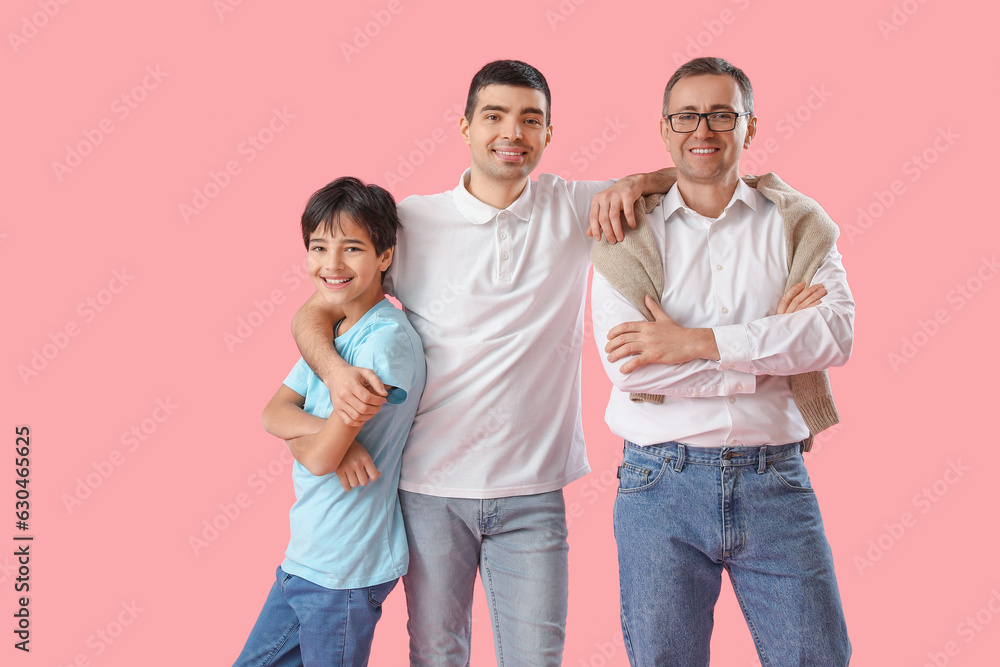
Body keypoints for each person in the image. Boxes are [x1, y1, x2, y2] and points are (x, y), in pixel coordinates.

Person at [291, 60, 676, 666]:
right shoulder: (411, 222)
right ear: (465, 127)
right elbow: (316, 310)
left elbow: (702, 172)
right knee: (437, 656)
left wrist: (640, 180)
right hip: (429, 489)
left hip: (534, 492)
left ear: (549, 134)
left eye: (531, 120)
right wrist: (338, 376)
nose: (512, 133)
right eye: (494, 116)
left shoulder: (575, 207)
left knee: (535, 659)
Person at [591, 57, 854, 666]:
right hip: (660, 485)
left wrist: (696, 342)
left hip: (777, 482)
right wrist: (774, 347)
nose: (702, 129)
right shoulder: (625, 234)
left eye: (720, 114)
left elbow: (834, 335)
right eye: (686, 115)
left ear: (749, 127)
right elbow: (632, 367)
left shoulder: (797, 225)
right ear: (664, 128)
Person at [232, 176, 425, 667]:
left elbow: (319, 459)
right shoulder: (336, 330)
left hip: (344, 567)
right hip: (307, 558)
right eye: (319, 247)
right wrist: (334, 439)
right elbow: (272, 412)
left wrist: (325, 443)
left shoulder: (384, 342)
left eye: (352, 248)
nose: (331, 265)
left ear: (384, 256)